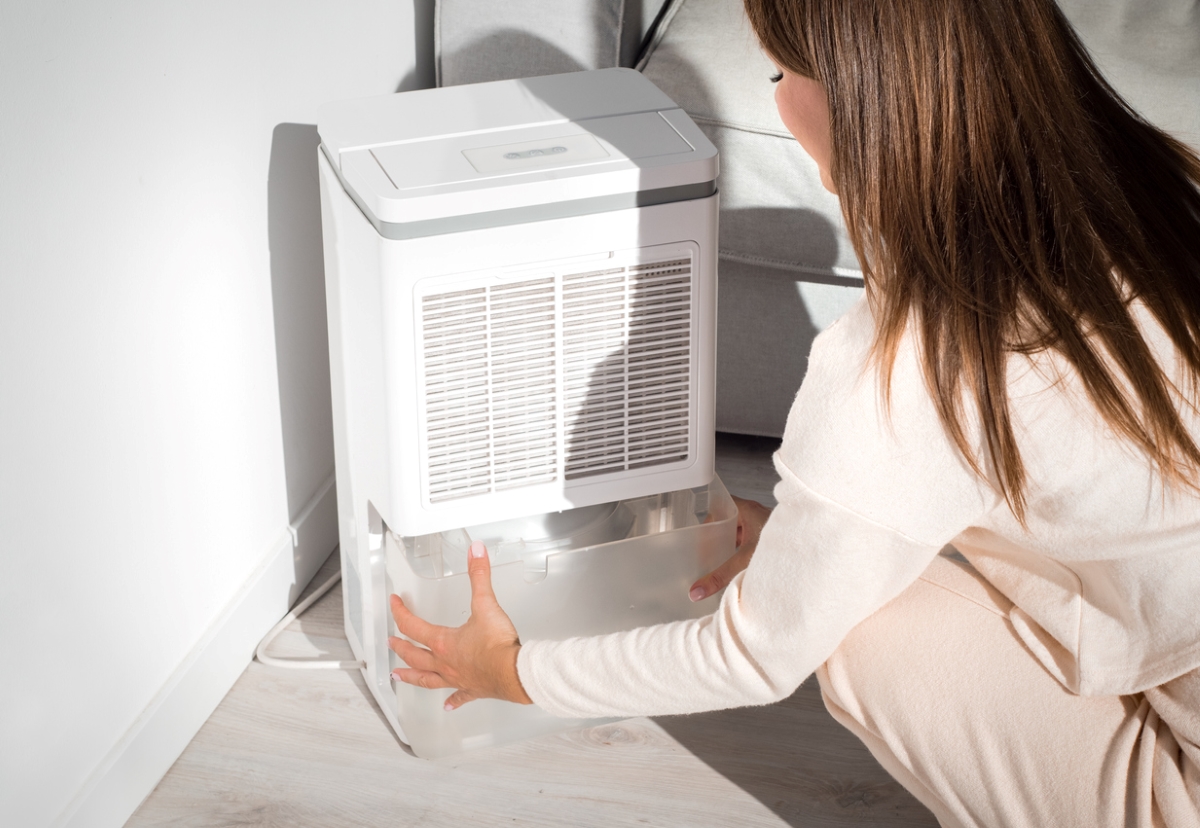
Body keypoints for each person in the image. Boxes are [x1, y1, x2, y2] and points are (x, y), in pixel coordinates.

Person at [385, 0, 1200, 824]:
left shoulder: (911, 365)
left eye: (780, 73)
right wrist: (803, 535)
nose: (777, 98)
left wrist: (514, 672)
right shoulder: (1166, 180)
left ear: (859, 96)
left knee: (859, 632)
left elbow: (754, 653)